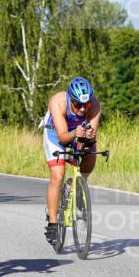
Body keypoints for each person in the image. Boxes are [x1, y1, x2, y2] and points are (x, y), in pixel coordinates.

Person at [42, 77, 101, 247]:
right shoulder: (58, 102)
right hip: (56, 134)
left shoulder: (95, 105)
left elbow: (91, 134)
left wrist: (89, 137)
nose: (83, 109)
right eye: (77, 105)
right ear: (70, 99)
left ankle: (76, 184)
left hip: (78, 132)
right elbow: (63, 137)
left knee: (91, 150)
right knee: (58, 176)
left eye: (86, 104)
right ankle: (53, 223)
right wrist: (76, 132)